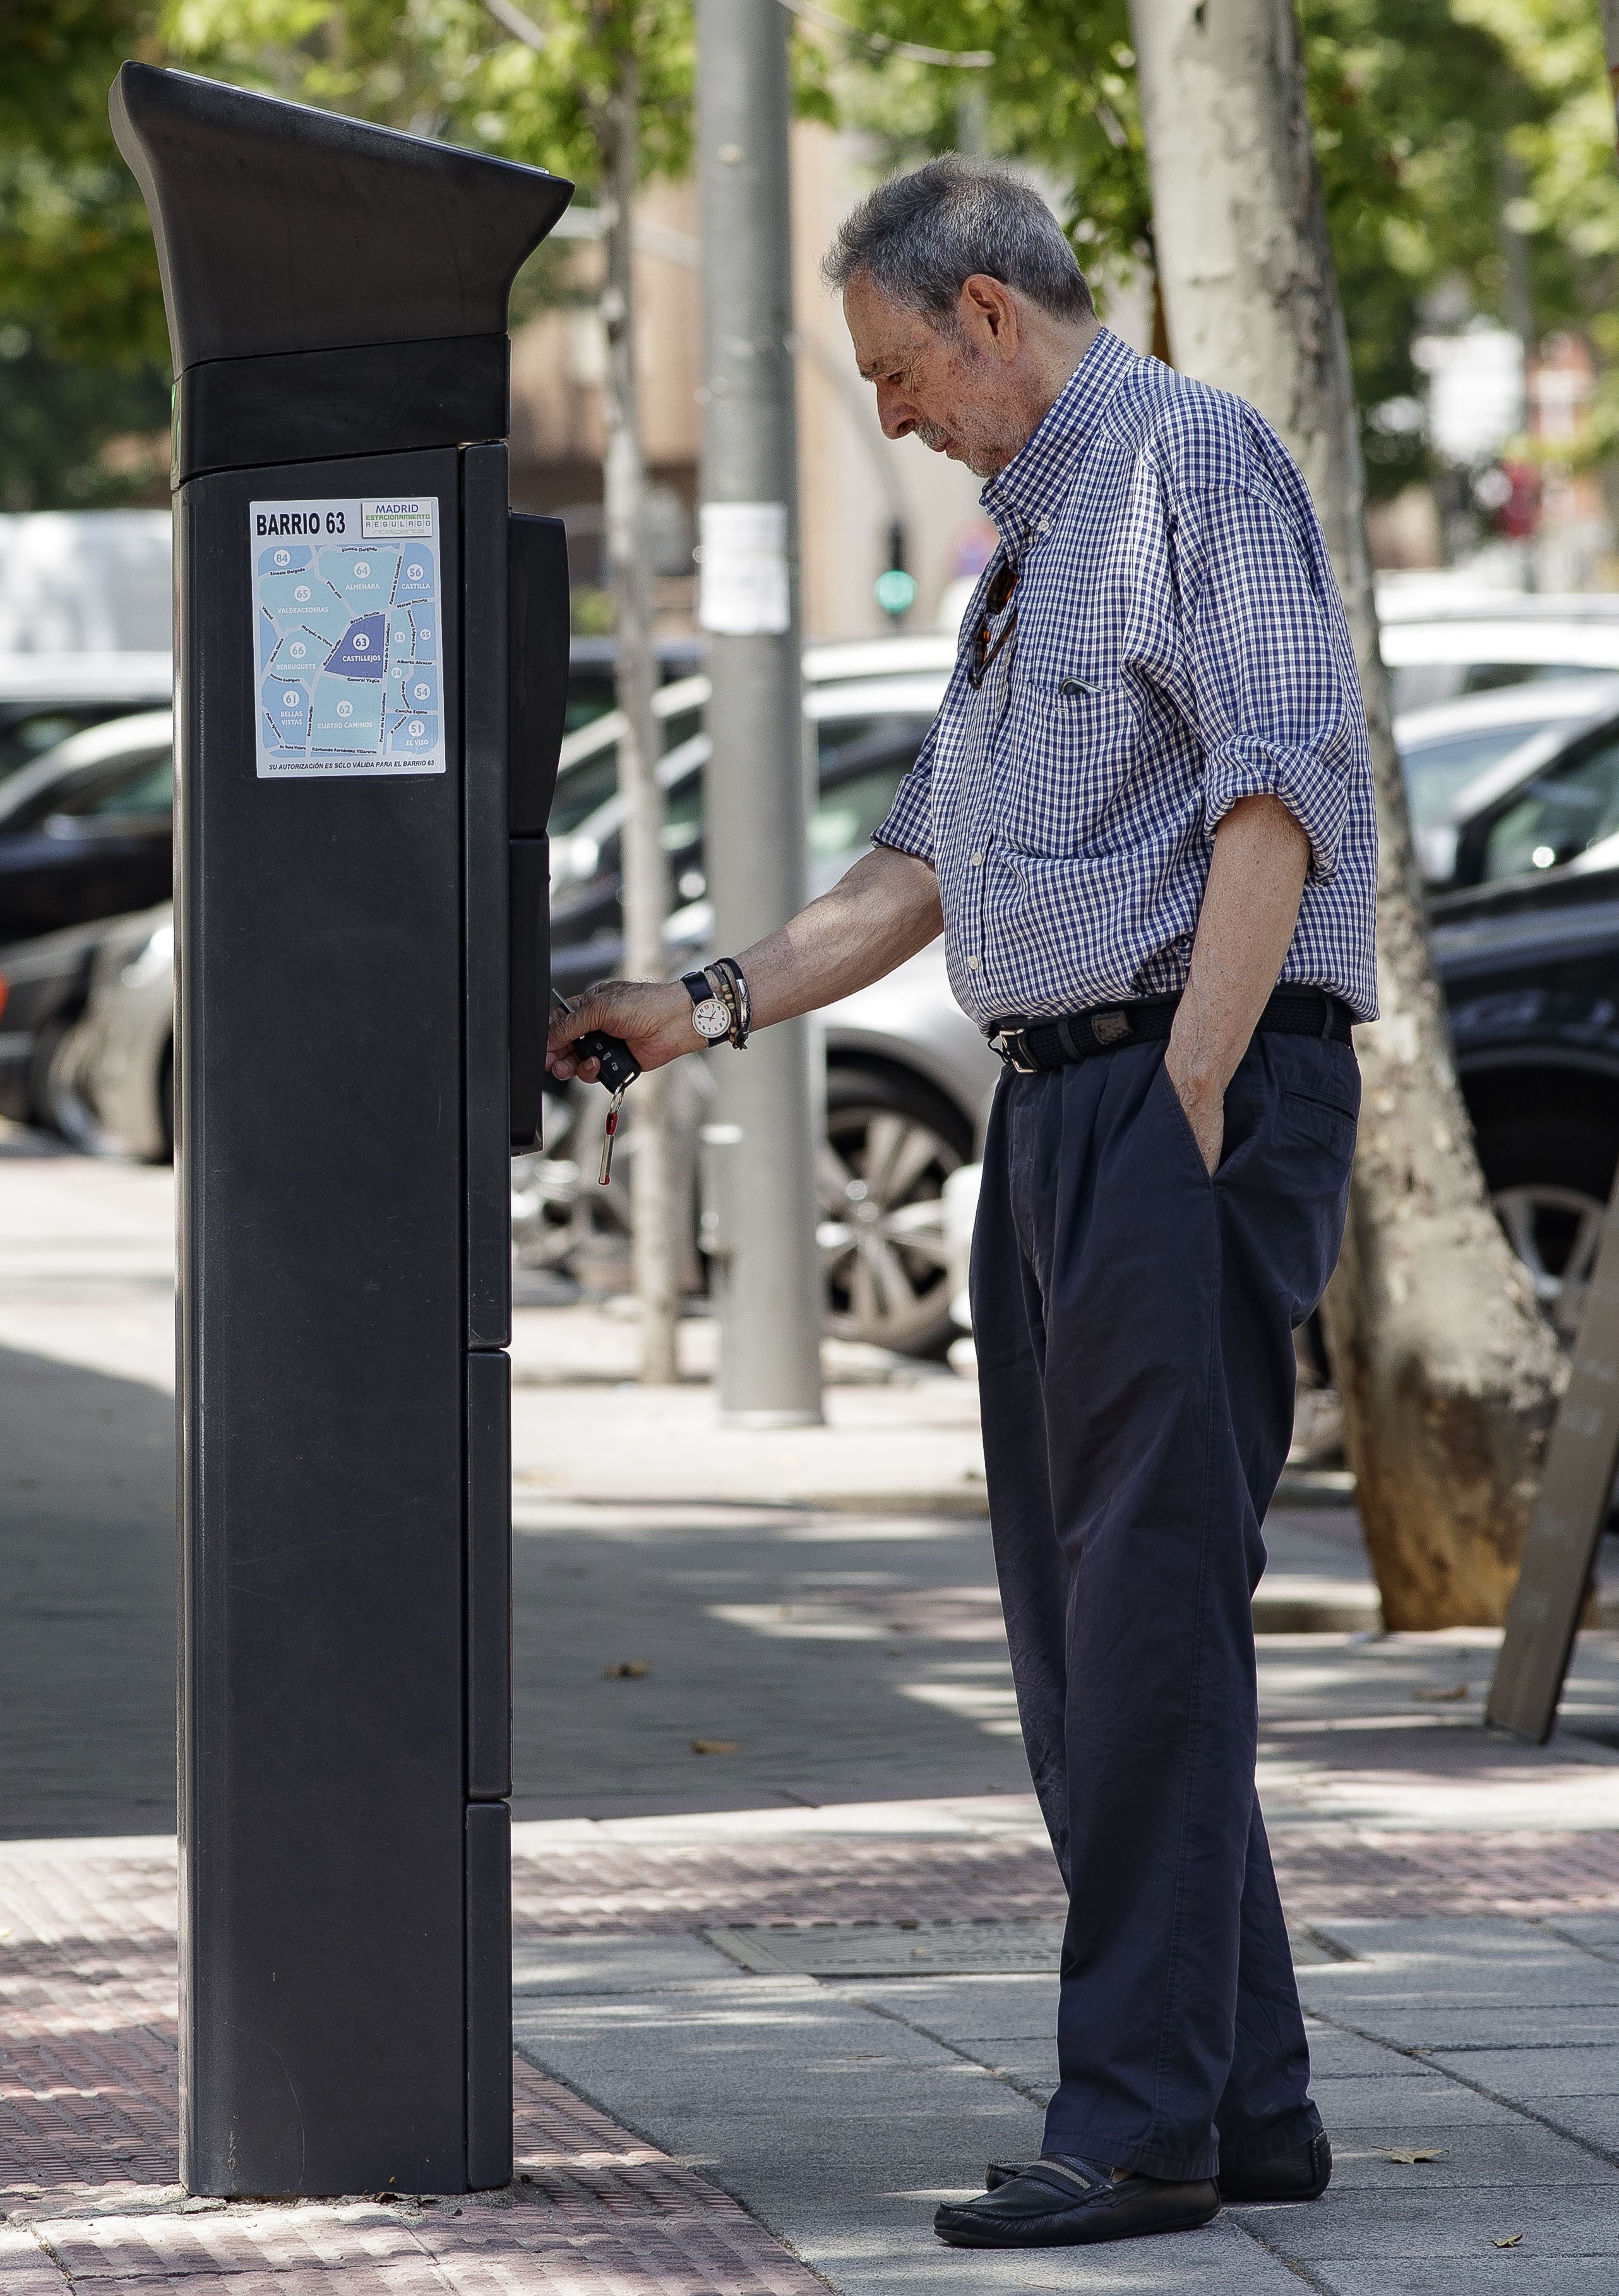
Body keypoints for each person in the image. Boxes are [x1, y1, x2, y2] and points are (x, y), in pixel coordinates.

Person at [548, 155, 1375, 2251]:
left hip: (1175, 1098)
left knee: (1141, 1633)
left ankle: (1135, 2124)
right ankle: (1239, 2098)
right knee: (1091, 1637)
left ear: (989, 312)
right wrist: (702, 1004)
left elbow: (1279, 781)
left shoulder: (1191, 462)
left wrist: (1188, 1095)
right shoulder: (1028, 547)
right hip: (1063, 1114)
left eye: (900, 371)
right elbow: (920, 864)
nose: (894, 415)